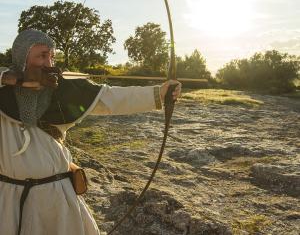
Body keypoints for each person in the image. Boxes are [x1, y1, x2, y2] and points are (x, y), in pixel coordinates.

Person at [0, 29, 181, 235]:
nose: (49, 63)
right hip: (10, 200)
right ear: (22, 57)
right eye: (42, 56)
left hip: (56, 199)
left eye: (52, 56)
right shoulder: (3, 91)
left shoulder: (64, 90)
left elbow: (111, 98)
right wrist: (11, 79)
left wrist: (158, 93)